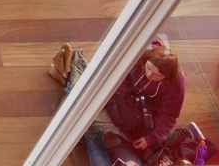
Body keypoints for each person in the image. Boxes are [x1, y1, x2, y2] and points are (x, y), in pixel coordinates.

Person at [53, 42, 185, 166]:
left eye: (157, 75)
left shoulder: (176, 85)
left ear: (167, 77)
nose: (149, 75)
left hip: (132, 126)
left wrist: (151, 138)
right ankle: (70, 76)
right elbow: (118, 74)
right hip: (119, 104)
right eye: (149, 68)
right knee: (87, 109)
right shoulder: (140, 54)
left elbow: (169, 115)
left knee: (86, 115)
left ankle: (69, 76)